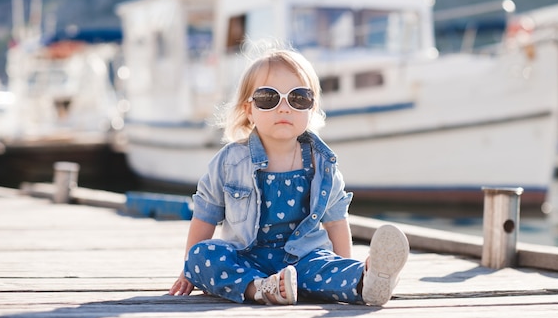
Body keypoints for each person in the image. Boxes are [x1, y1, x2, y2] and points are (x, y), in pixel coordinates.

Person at [168, 46, 409, 305]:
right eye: (268, 98)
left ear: (312, 108)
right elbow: (205, 215)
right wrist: (188, 270)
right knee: (202, 255)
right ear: (249, 110)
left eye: (298, 98)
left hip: (304, 260)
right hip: (246, 261)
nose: (284, 108)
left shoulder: (322, 164)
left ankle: (366, 280)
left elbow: (336, 222)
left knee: (326, 267)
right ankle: (261, 289)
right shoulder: (229, 162)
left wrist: (343, 263)